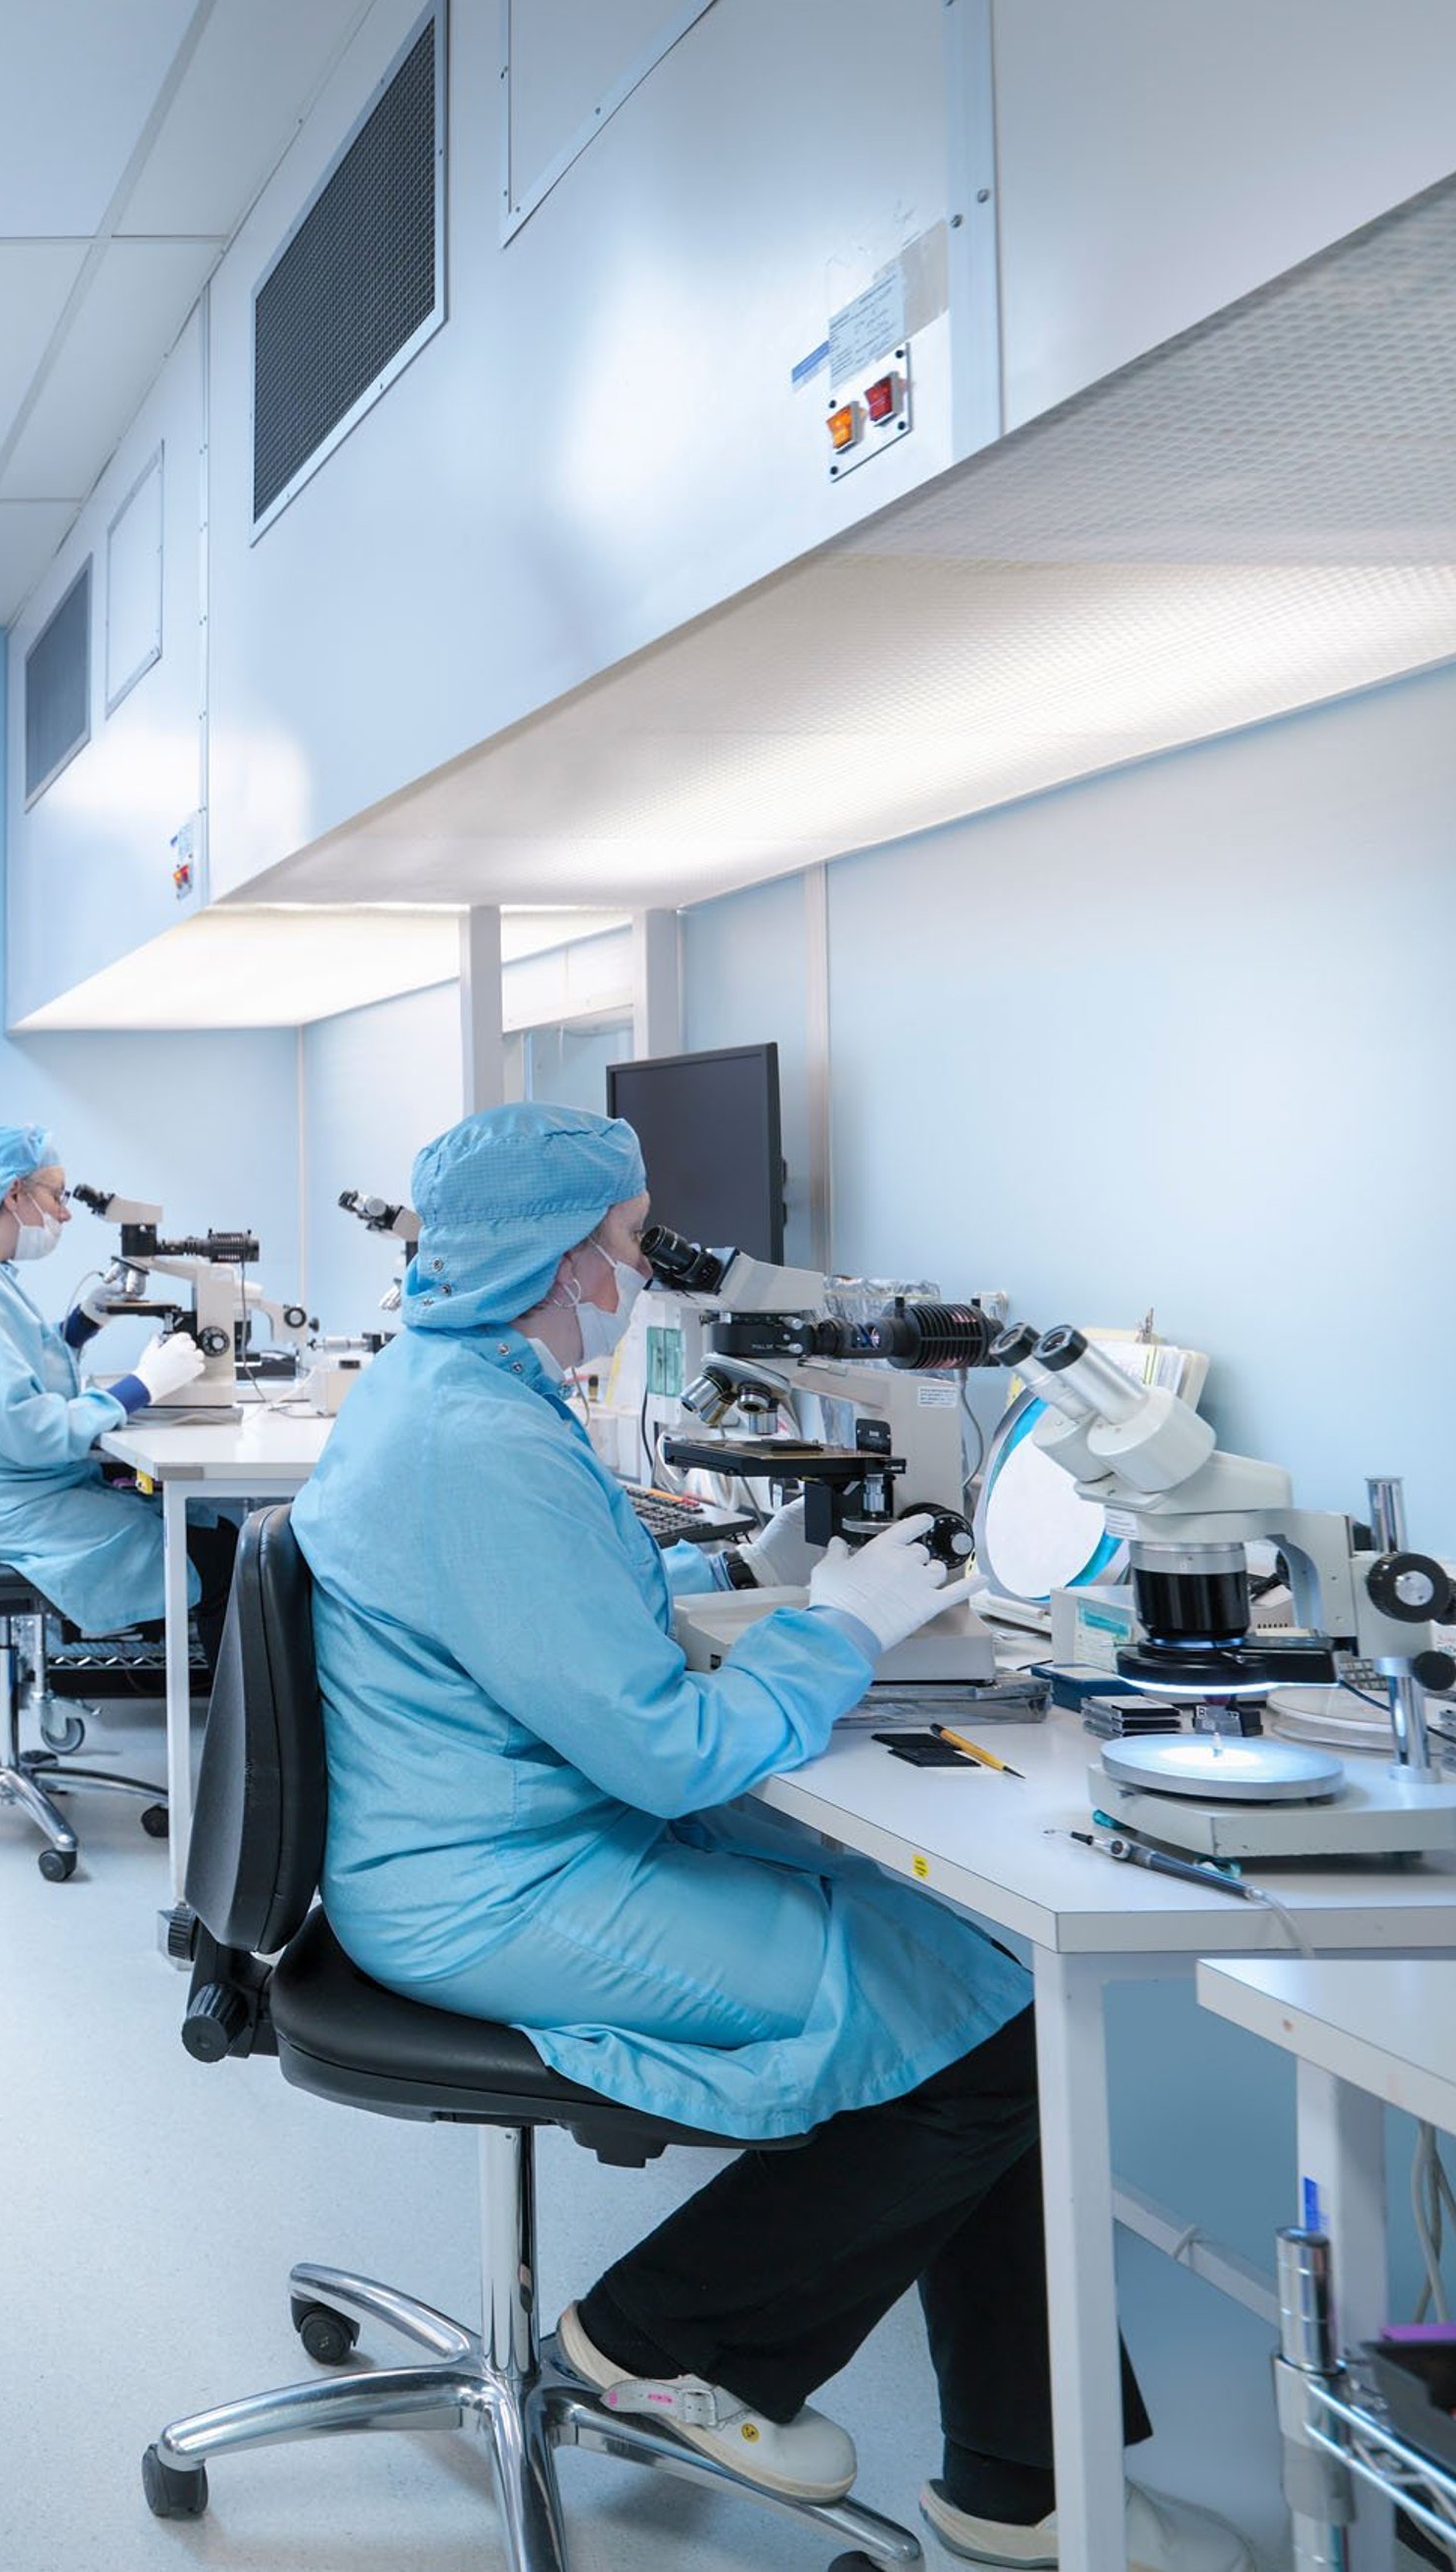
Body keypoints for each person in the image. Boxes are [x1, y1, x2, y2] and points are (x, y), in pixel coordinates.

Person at [290, 1102, 1236, 2572]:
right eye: (628, 1239)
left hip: (495, 1834)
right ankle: (660, 2342)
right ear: (559, 1255)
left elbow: (555, 1598)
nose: (640, 1271)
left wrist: (745, 1571)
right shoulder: (473, 1437)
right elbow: (666, 1753)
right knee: (987, 2028)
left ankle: (1023, 2490)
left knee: (991, 1988)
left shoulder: (460, 1387)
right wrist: (839, 1633)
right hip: (492, 1890)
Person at [0, 1121, 210, 1637]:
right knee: (212, 1554)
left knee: (199, 1527)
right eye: (56, 1195)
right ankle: (227, 1707)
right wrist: (141, 1386)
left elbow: (1, 1364)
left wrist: (79, 1326)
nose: (65, 1211)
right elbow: (30, 1432)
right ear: (14, 1193)